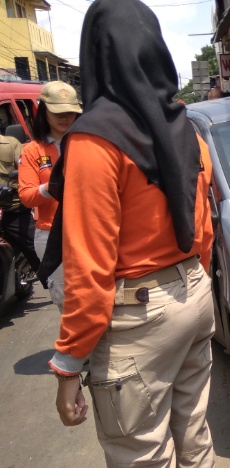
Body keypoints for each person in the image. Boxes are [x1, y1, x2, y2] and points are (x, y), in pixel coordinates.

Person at [44, 0, 216, 466]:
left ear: (96, 56)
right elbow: (204, 228)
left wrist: (68, 364)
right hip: (196, 297)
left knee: (141, 453)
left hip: (140, 320)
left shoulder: (94, 141)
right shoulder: (187, 129)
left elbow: (88, 266)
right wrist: (190, 281)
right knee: (194, 435)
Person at [18, 81, 82, 311]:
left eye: (70, 112)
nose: (65, 117)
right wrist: (50, 187)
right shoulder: (33, 150)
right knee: (67, 302)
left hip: (89, 230)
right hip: (52, 235)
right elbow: (26, 196)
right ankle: (75, 346)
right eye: (58, 112)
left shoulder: (87, 143)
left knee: (98, 296)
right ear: (44, 112)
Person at [0, 132, 41, 279]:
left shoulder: (11, 144)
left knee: (32, 245)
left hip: (13, 207)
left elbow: (28, 172)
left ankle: (51, 281)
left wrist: (13, 188)